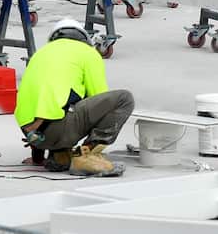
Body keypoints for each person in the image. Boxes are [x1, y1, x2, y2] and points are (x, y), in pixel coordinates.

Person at [16, 19, 134, 177]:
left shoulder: (40, 54)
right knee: (124, 99)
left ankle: (60, 156)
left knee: (64, 102)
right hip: (60, 128)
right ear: (84, 38)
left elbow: (40, 102)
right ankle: (86, 156)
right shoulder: (87, 52)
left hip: (34, 136)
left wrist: (37, 157)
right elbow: (99, 97)